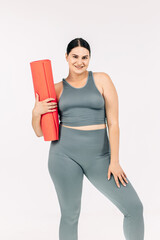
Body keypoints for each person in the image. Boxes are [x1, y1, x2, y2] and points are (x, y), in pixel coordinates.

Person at [32, 38, 145, 240]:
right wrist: (36, 112)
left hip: (100, 158)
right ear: (66, 57)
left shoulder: (102, 80)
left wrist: (115, 161)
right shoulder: (56, 89)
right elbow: (40, 132)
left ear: (89, 58)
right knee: (70, 215)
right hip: (64, 156)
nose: (80, 61)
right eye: (75, 56)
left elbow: (114, 124)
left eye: (85, 57)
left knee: (134, 207)